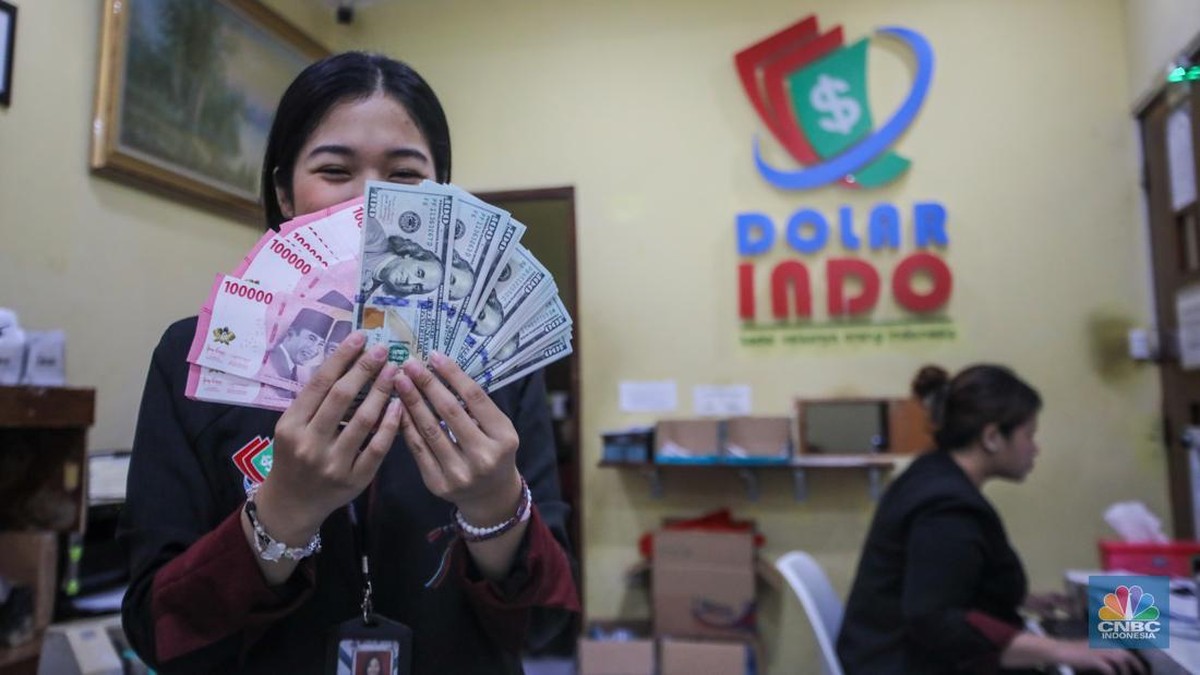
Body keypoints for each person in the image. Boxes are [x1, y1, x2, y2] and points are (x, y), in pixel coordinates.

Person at [119, 52, 579, 674]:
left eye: (405, 174)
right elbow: (157, 632)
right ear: (284, 193)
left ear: (443, 198)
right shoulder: (194, 359)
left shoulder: (497, 363)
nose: (371, 201)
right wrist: (283, 513)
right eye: (335, 170)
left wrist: (496, 508)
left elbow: (546, 626)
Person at [836, 364, 1145, 675]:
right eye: (1029, 435)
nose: (1035, 449)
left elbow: (943, 582)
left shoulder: (931, 475)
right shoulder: (947, 508)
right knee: (1125, 659)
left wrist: (1014, 598)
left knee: (1119, 643)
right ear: (992, 437)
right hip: (905, 665)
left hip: (890, 658)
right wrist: (1062, 649)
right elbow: (934, 619)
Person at [360, 216, 445, 300]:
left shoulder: (364, 295)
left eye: (417, 287)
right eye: (419, 273)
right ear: (410, 255)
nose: (410, 282)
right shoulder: (372, 233)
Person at [262, 308, 332, 383]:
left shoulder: (292, 370)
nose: (314, 349)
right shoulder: (270, 362)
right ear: (290, 334)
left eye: (321, 344)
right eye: (311, 338)